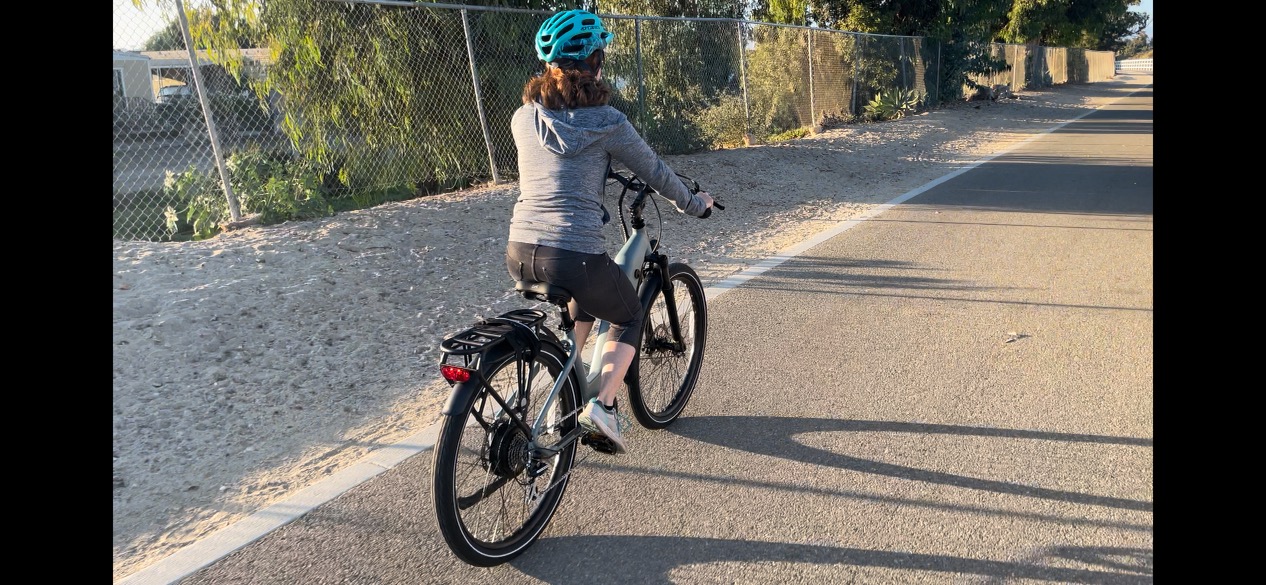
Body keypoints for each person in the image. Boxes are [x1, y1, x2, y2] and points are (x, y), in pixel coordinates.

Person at [506, 9, 714, 454]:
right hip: (570, 251)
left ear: (551, 66)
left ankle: (570, 373)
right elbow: (655, 171)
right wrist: (694, 203)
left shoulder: (524, 116)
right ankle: (603, 406)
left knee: (589, 291)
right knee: (629, 312)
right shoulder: (608, 122)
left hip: (520, 248)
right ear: (595, 61)